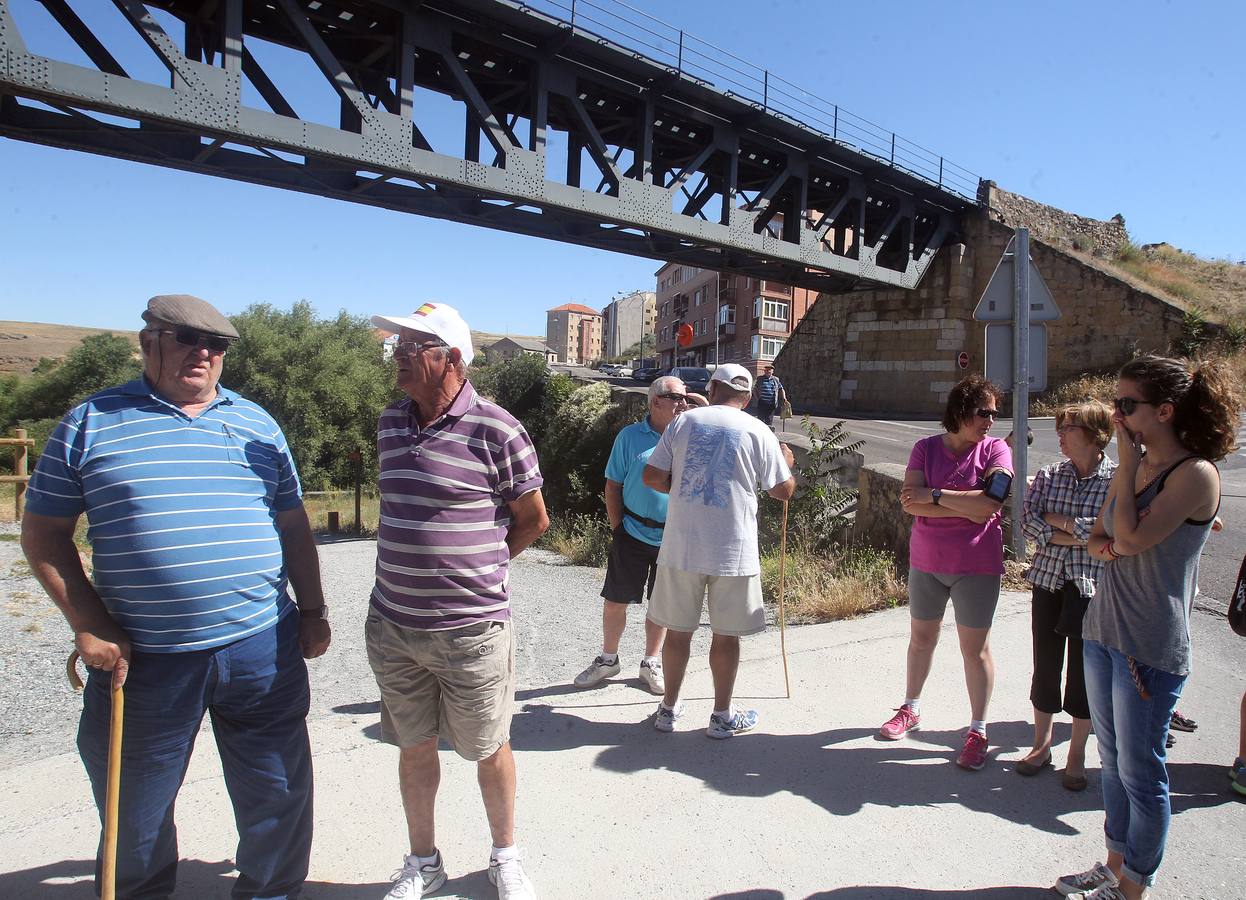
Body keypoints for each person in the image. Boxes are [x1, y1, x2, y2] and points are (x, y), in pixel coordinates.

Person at [20, 294, 330, 900]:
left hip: (262, 644)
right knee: (134, 808)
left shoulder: (256, 423)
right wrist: (88, 620)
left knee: (278, 792)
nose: (204, 353)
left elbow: (293, 526)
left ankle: (272, 894)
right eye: (187, 338)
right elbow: (43, 535)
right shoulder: (91, 423)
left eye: (216, 345)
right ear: (149, 341)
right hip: (146, 658)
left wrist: (314, 611)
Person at [365, 302, 548, 900]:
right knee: (413, 749)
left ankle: (505, 857)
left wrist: (481, 568)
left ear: (452, 359)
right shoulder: (390, 423)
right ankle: (424, 861)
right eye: (398, 344)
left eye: (412, 346)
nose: (397, 355)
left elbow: (532, 519)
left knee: (489, 748)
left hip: (472, 629)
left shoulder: (497, 428)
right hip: (393, 626)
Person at [1055, 355, 1240, 900]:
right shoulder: (1136, 469)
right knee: (1111, 765)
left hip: (1149, 645)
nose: (1116, 416)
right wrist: (1115, 531)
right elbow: (1095, 540)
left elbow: (1127, 540)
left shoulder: (1196, 474)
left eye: (1126, 406)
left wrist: (1128, 480)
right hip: (1104, 630)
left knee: (1141, 773)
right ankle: (1113, 867)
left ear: (1164, 411)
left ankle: (1134, 886)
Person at [641, 363, 795, 738]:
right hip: (733, 549)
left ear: (712, 388)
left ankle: (668, 710)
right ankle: (721, 716)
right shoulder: (759, 430)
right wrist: (786, 463)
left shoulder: (683, 422)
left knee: (677, 633)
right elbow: (783, 491)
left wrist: (682, 491)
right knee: (726, 637)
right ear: (748, 395)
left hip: (681, 546)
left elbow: (652, 476)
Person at [885, 374, 1012, 771]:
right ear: (960, 411)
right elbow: (910, 503)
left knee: (974, 651)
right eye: (983, 412)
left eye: (994, 413)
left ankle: (978, 730)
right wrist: (964, 504)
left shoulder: (996, 451)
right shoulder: (925, 449)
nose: (990, 421)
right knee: (921, 640)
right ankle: (911, 708)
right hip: (927, 562)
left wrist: (937, 495)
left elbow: (990, 505)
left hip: (977, 566)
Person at [573, 375, 705, 693]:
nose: (683, 403)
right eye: (677, 397)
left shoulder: (692, 437)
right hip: (631, 532)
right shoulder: (630, 437)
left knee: (660, 605)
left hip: (672, 536)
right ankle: (608, 659)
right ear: (656, 401)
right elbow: (613, 485)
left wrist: (704, 408)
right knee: (616, 600)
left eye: (686, 398)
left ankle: (651, 662)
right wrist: (618, 529)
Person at [1018, 401, 1115, 792]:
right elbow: (1027, 521)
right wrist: (1079, 531)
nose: (1059, 434)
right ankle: (1041, 745)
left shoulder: (1116, 480)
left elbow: (1109, 531)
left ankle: (1076, 753)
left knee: (1083, 672)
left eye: (1068, 428)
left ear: (1095, 434)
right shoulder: (1048, 474)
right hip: (1047, 579)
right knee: (1045, 664)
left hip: (1089, 585)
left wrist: (1059, 524)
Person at [752, 364, 787, 429]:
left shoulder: (776, 379)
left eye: (770, 370)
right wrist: (757, 398)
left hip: (772, 404)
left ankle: (767, 435)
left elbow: (781, 389)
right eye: (767, 370)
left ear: (772, 371)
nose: (768, 371)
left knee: (769, 421)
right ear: (764, 371)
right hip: (762, 403)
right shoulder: (760, 379)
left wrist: (784, 397)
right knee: (761, 420)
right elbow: (754, 389)